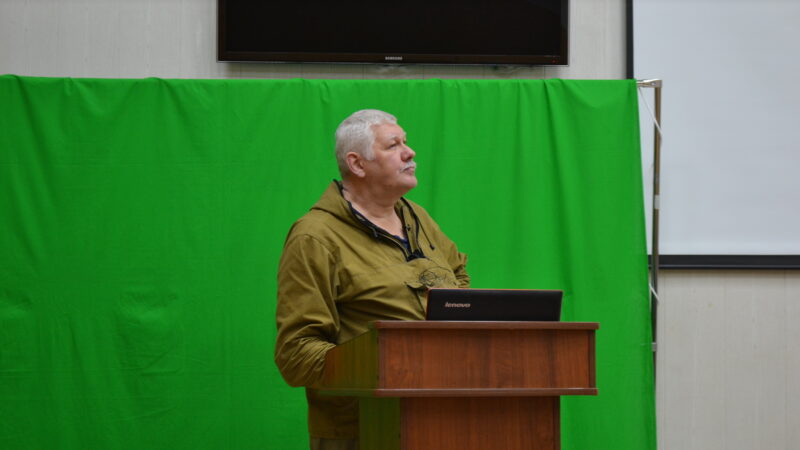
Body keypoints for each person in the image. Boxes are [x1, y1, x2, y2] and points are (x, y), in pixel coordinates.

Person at [275, 109, 469, 450]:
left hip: (440, 420)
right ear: (357, 164)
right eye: (393, 145)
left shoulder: (419, 217)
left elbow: (458, 277)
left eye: (406, 142)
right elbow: (296, 353)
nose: (410, 152)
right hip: (363, 430)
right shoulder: (314, 237)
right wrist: (391, 366)